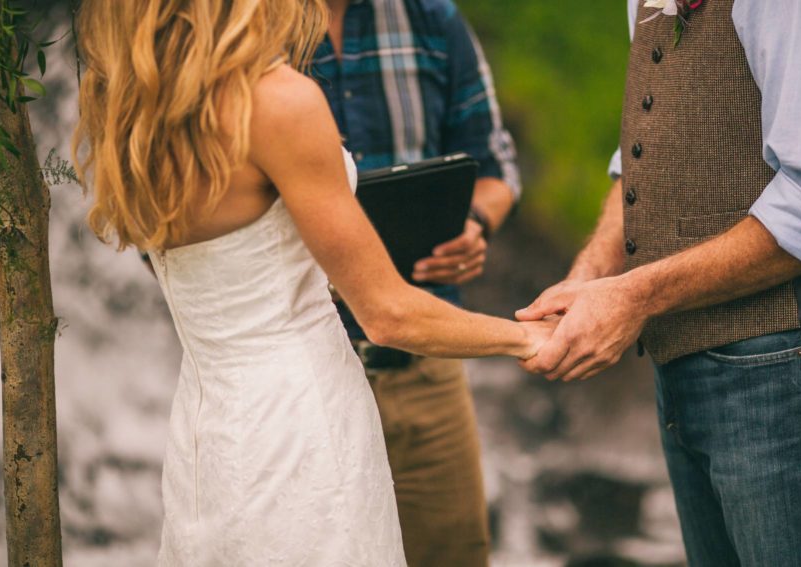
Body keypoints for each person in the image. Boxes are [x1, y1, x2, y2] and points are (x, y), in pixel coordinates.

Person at [72, 1, 554, 565]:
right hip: (305, 424)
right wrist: (530, 337)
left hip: (207, 435)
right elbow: (386, 313)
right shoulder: (277, 99)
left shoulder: (135, 109)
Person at [519, 1, 801, 565]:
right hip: (682, 378)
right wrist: (587, 279)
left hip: (787, 376)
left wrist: (633, 295)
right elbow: (648, 154)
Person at [313, 1, 519, 564]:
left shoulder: (433, 19)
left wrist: (473, 226)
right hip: (306, 379)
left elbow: (497, 169)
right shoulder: (238, 32)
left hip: (428, 364)